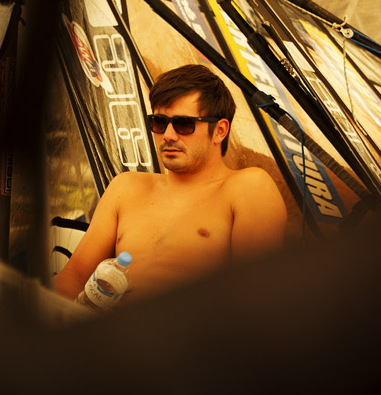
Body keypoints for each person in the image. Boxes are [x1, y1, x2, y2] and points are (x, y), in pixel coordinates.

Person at [53, 63, 287, 304]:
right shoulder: (127, 186)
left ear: (219, 131)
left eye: (184, 124)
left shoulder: (248, 187)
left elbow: (252, 295)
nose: (168, 135)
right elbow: (75, 275)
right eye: (159, 122)